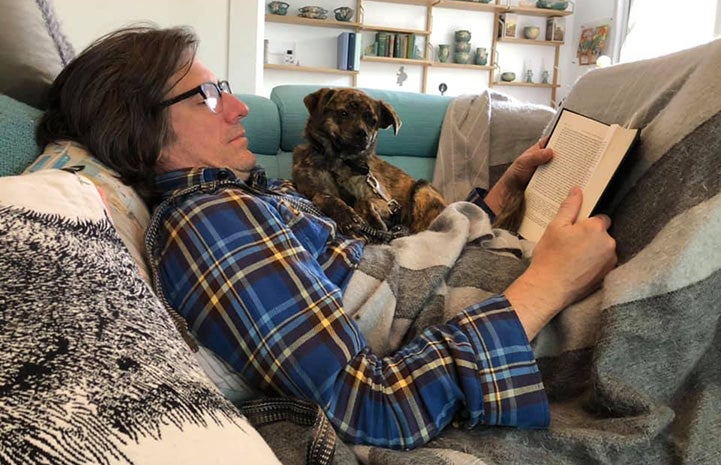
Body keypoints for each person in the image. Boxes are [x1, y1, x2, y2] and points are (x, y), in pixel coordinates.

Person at [37, 26, 617, 450]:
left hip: (521, 268)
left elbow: (382, 262)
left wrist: (500, 197)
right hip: (555, 320)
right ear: (137, 128)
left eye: (227, 89)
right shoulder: (207, 221)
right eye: (207, 97)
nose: (240, 108)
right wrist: (547, 285)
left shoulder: (243, 197)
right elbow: (370, 404)